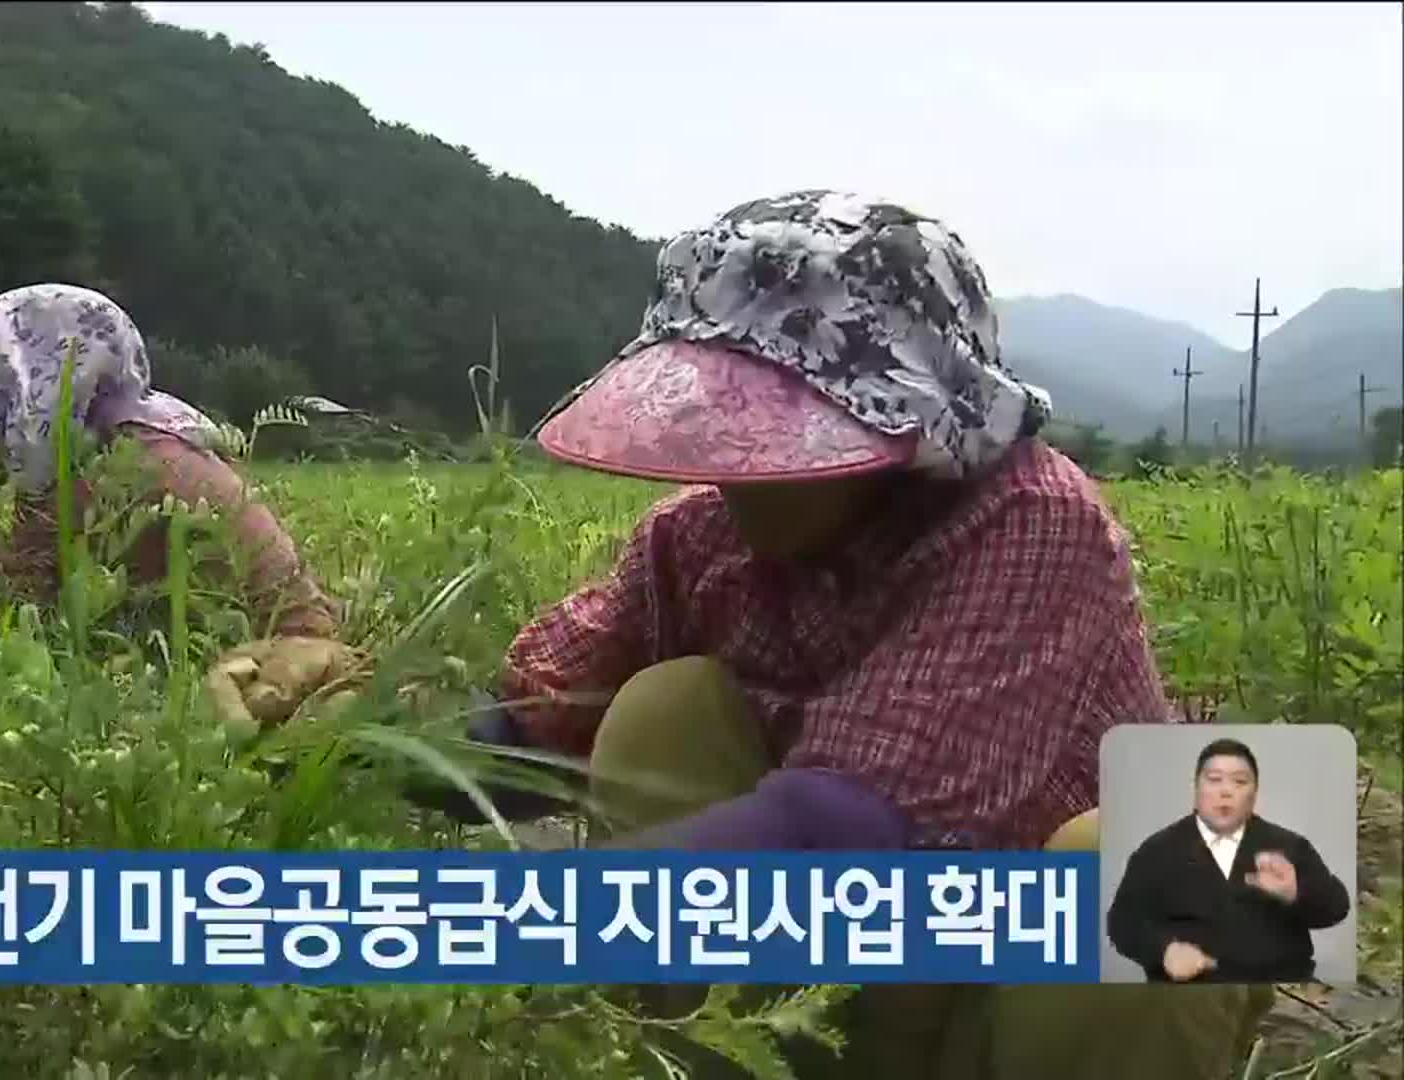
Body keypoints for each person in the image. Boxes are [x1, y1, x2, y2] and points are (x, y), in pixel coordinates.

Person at [403, 190, 1276, 1079]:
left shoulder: (1032, 524)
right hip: (850, 985)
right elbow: (533, 729)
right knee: (664, 708)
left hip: (1028, 997)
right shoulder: (697, 537)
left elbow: (841, 827)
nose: (744, 464)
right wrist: (343, 745)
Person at [0, 283, 348, 727]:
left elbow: (3, 587)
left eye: (0, 415)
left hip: (274, 672)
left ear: (36, 390)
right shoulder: (153, 430)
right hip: (293, 646)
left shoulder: (112, 470)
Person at [1108, 737, 1351, 985]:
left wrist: (1295, 893)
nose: (1226, 791)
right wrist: (1164, 951)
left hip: (1283, 996)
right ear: (1196, 788)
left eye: (1240, 781)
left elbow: (1337, 907)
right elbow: (1122, 923)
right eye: (1214, 780)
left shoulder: (1289, 847)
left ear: (1254, 793)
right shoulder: (1156, 852)